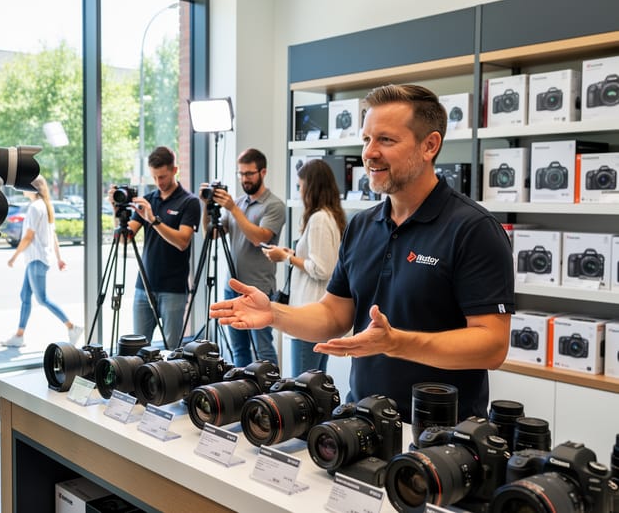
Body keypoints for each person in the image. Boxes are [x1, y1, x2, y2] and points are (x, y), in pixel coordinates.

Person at [210, 84, 515, 422]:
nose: (369, 153)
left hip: (443, 436)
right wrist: (275, 314)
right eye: (367, 139)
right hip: (360, 421)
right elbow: (334, 315)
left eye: (385, 140)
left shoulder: (474, 229)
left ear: (429, 145)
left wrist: (396, 342)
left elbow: (492, 345)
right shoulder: (362, 226)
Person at [200, 148, 285, 366]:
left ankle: (271, 396)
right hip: (234, 286)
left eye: (249, 174)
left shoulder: (274, 205)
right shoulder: (238, 203)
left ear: (263, 172)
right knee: (239, 349)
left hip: (259, 288)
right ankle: (242, 392)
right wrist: (206, 207)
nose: (244, 179)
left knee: (263, 350)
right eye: (241, 174)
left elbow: (259, 238)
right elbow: (212, 233)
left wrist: (233, 209)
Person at [261, 158, 346, 376]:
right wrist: (293, 255)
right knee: (316, 384)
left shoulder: (319, 219)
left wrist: (287, 258)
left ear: (311, 187)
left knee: (301, 386)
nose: (299, 192)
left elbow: (321, 268)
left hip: (310, 312)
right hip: (319, 312)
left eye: (300, 186)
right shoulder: (331, 217)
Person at [109, 146, 200, 349]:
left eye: (163, 176)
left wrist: (153, 220)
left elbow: (182, 241)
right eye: (155, 177)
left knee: (172, 354)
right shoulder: (149, 200)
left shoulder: (189, 202)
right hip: (144, 286)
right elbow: (125, 238)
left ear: (174, 170)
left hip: (174, 290)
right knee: (137, 351)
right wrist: (117, 213)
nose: (159, 182)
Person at [5, 175, 84, 347]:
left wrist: (13, 256)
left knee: (42, 299)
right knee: (25, 296)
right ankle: (19, 335)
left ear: (33, 188)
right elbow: (53, 235)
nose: (22, 188)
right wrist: (59, 258)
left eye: (24, 185)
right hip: (37, 259)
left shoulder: (35, 207)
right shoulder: (46, 206)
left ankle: (72, 327)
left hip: (36, 259)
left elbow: (28, 236)